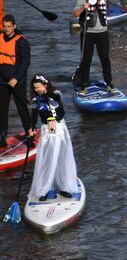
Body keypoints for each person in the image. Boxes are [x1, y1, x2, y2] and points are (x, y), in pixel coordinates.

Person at [27, 74, 78, 202]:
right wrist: (32, 128)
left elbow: (58, 104)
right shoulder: (35, 100)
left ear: (44, 84)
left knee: (62, 156)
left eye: (38, 87)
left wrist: (44, 96)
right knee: (47, 158)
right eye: (34, 88)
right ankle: (43, 189)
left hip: (60, 128)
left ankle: (64, 186)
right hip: (46, 130)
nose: (36, 89)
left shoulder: (55, 94)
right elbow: (33, 115)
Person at [72, 0, 119, 94]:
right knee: (86, 60)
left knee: (105, 59)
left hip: (103, 33)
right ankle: (83, 85)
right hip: (87, 33)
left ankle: (109, 84)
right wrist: (83, 8)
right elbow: (74, 15)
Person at [0, 14, 31, 147]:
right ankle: (2, 137)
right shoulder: (0, 38)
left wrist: (16, 78)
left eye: (9, 27)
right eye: (4, 26)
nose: (6, 29)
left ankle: (29, 133)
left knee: (22, 108)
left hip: (18, 81)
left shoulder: (22, 42)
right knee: (2, 110)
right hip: (2, 80)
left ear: (14, 26)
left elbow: (25, 63)